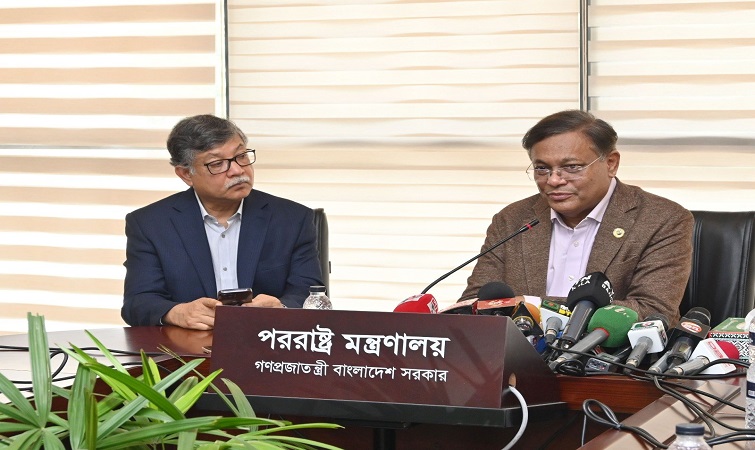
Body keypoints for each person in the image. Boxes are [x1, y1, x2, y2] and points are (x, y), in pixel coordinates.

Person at [460, 110, 693, 323]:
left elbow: (652, 311)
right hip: (519, 351)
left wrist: (533, 306)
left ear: (611, 164)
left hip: (612, 354)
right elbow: (474, 305)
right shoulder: (512, 219)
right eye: (542, 168)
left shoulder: (662, 219)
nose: (553, 180)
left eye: (571, 167)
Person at [122, 114, 323, 329]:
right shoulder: (150, 224)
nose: (238, 170)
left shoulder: (292, 219)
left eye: (241, 156)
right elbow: (138, 302)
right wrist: (177, 313)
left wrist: (282, 308)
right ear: (186, 174)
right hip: (188, 346)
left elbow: (311, 294)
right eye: (217, 164)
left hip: (267, 341)